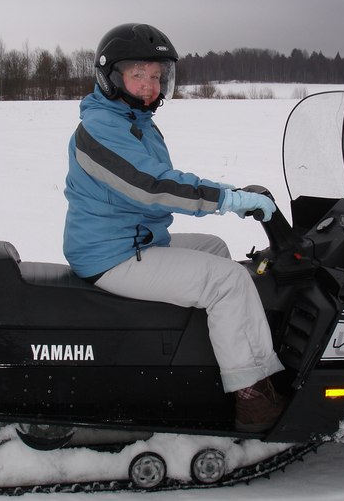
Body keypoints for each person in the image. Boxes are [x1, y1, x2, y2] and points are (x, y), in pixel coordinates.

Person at [63, 22, 286, 432]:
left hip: (132, 239)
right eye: (138, 75)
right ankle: (252, 395)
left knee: (215, 248)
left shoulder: (134, 120)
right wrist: (226, 200)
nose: (150, 85)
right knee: (229, 281)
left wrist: (229, 194)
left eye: (156, 75)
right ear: (111, 77)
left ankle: (204, 355)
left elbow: (160, 181)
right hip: (111, 254)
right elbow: (151, 187)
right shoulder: (101, 128)